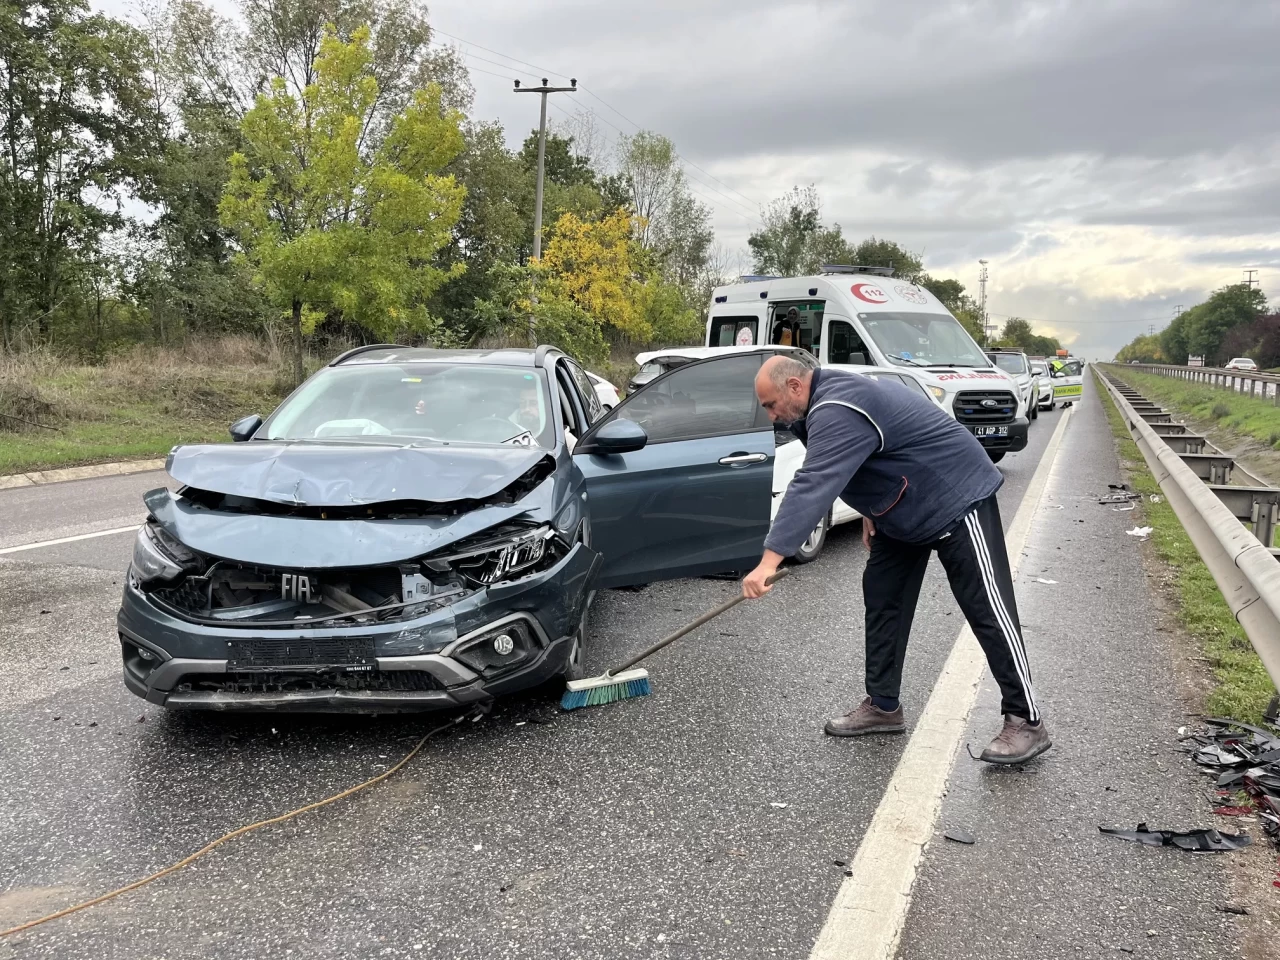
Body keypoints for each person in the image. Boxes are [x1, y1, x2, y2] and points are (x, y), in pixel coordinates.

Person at [742, 355, 1051, 764]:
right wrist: (872, 508)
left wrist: (769, 560)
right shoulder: (821, 403)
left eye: (770, 404)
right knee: (883, 599)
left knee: (987, 607)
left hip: (954, 493)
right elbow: (864, 453)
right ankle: (884, 706)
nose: (771, 416)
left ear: (795, 387)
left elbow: (813, 482)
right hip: (901, 506)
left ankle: (1026, 720)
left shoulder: (836, 406)